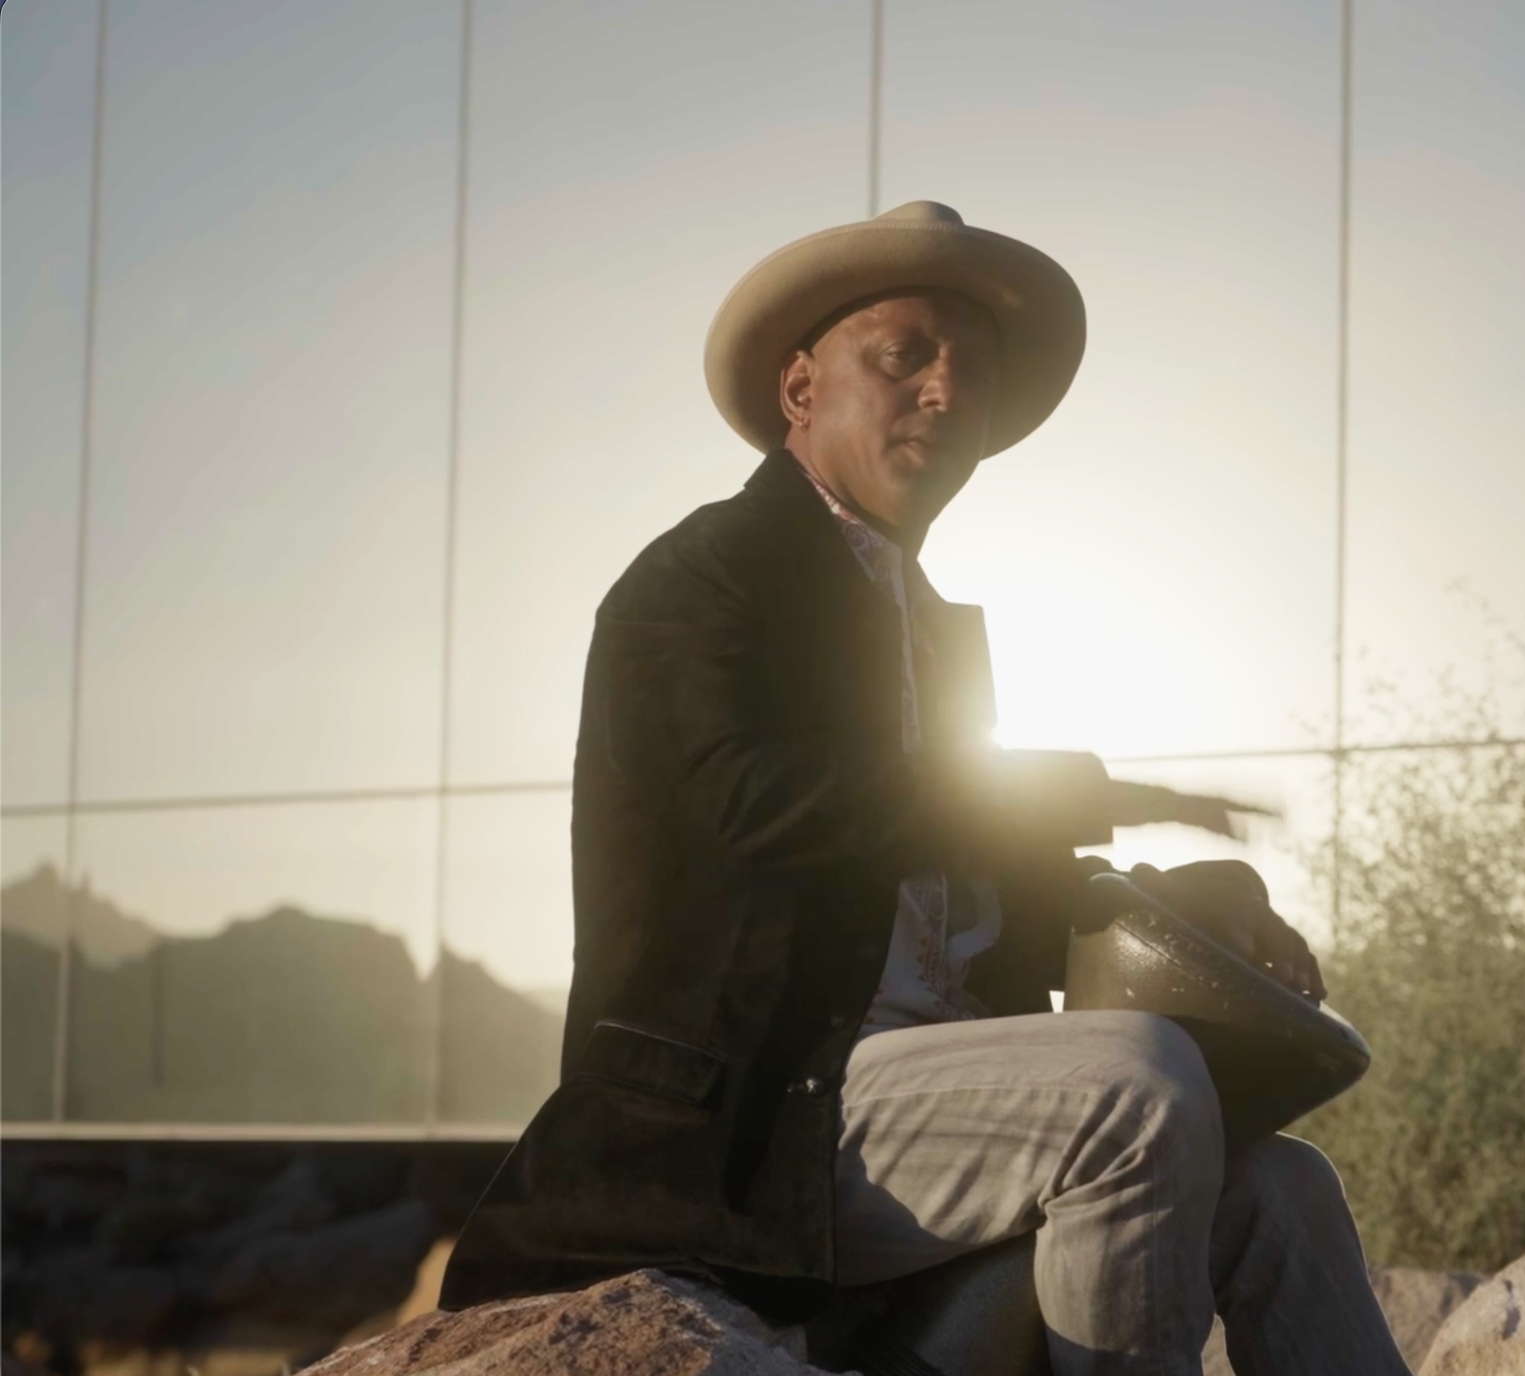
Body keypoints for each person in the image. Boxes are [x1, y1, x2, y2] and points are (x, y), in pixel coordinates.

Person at [439, 201, 1409, 1375]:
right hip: (756, 1123)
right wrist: (1098, 787)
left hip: (936, 1102)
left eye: (972, 372)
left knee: (1282, 1186)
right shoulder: (698, 575)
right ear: (801, 389)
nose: (948, 392)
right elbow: (762, 810)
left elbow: (968, 870)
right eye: (904, 357)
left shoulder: (934, 630)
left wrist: (1192, 897)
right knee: (1132, 1086)